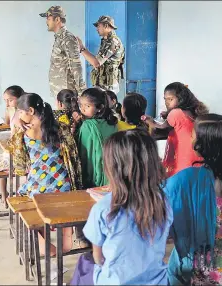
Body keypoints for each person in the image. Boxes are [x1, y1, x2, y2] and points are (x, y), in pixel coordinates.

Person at [71, 130, 173, 285]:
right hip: (157, 281)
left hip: (114, 282)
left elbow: (99, 258)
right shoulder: (163, 201)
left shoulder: (103, 208)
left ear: (112, 168)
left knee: (85, 263)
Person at [9, 93, 83, 255]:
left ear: (30, 110)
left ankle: (45, 246)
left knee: (21, 197)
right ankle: (65, 243)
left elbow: (20, 166)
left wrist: (17, 125)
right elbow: (74, 155)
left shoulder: (22, 133)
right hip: (64, 186)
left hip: (38, 189)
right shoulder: (61, 127)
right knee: (63, 218)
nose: (19, 116)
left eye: (20, 112)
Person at [164, 114, 222, 285]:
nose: (190, 137)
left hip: (198, 267)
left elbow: (160, 217)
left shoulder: (185, 179)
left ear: (202, 145)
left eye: (193, 134)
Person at [142, 82, 209, 178]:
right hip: (196, 159)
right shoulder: (192, 111)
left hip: (183, 160)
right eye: (165, 99)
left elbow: (160, 128)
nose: (167, 103)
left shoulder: (176, 113)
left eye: (170, 99)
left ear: (181, 99)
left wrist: (149, 121)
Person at [39, 6, 86, 98]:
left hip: (67, 92)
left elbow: (76, 66)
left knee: (66, 113)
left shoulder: (67, 38)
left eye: (48, 19)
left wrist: (82, 93)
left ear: (57, 19)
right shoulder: (59, 37)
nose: (46, 22)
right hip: (60, 91)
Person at [77, 87, 117, 188]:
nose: (83, 109)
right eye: (80, 105)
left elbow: (84, 155)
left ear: (100, 107)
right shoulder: (112, 123)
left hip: (94, 178)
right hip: (112, 176)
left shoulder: (88, 126)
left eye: (87, 106)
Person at [77, 16, 125, 94]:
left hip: (108, 87)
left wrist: (81, 48)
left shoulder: (112, 42)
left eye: (98, 26)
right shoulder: (106, 41)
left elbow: (96, 63)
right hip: (104, 84)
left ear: (106, 25)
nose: (97, 29)